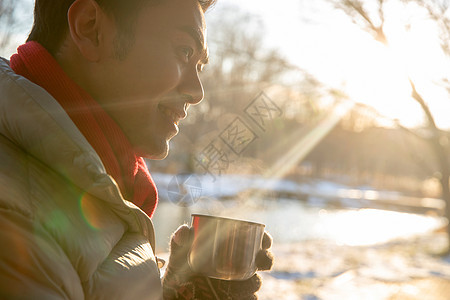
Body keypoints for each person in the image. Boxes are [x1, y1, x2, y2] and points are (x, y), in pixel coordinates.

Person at [0, 0, 273, 299]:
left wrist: (179, 290)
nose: (197, 92)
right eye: (184, 50)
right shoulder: (17, 226)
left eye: (199, 66)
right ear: (91, 29)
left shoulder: (104, 183)